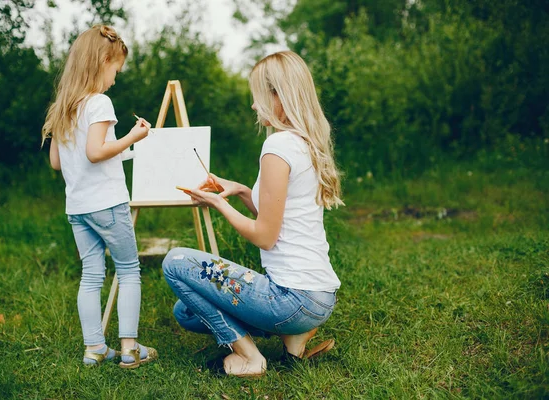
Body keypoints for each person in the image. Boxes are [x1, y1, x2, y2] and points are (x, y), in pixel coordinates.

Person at [162, 50, 344, 377]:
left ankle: (249, 357)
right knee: (186, 311)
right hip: (319, 298)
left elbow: (265, 236)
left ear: (279, 96)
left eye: (258, 96)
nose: (253, 105)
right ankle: (293, 335)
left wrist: (220, 205)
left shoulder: (277, 148)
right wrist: (243, 192)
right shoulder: (303, 142)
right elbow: (284, 216)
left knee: (175, 263)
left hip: (291, 297)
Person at [41, 25, 156, 369]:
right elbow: (95, 152)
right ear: (103, 60)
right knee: (129, 269)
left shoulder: (66, 106)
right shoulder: (100, 103)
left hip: (78, 208)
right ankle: (129, 348)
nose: (115, 80)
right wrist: (133, 137)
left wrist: (126, 152)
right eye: (115, 71)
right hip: (108, 204)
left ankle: (94, 348)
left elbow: (57, 162)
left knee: (91, 274)